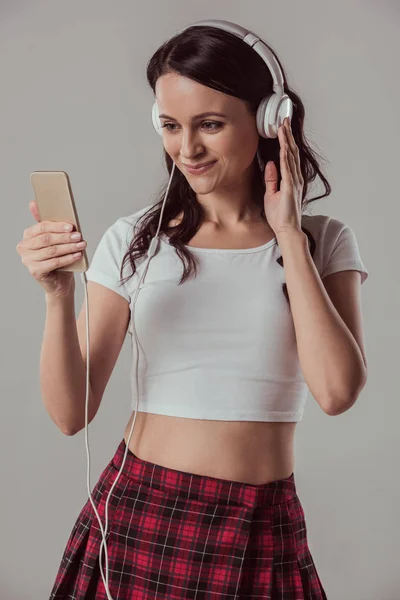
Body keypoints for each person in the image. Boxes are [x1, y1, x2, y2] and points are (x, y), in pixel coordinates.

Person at [17, 20, 369, 600]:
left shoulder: (321, 240)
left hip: (261, 523)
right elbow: (68, 414)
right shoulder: (135, 239)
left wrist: (287, 236)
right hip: (140, 515)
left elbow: (336, 391)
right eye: (171, 126)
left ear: (268, 121)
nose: (187, 149)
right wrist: (57, 297)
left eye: (210, 124)